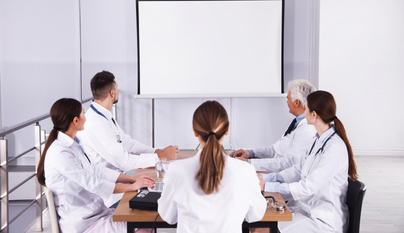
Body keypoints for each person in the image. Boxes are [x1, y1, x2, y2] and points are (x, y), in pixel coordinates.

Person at [36, 98, 155, 233]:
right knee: (144, 227)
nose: (85, 117)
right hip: (83, 223)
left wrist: (132, 180)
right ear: (75, 121)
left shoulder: (74, 145)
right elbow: (93, 184)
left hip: (95, 213)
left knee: (145, 220)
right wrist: (131, 187)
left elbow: (98, 170)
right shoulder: (60, 153)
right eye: (83, 113)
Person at [158, 101, 267, 233]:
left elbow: (168, 216)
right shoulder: (245, 171)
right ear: (227, 130)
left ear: (194, 131)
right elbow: (255, 215)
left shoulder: (176, 170)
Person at [258, 91, 358, 233]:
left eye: (306, 108)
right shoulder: (317, 140)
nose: (303, 112)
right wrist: (265, 179)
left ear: (314, 114)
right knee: (258, 222)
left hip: (321, 221)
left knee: (262, 228)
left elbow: (307, 187)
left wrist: (269, 186)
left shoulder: (334, 148)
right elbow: (298, 170)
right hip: (305, 209)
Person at [77, 70, 178, 207]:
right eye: (117, 89)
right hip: (110, 196)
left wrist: (157, 152)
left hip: (121, 184)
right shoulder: (95, 123)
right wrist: (159, 158)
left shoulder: (104, 116)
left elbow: (127, 143)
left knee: (160, 191)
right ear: (112, 93)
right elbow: (123, 161)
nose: (118, 92)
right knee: (159, 201)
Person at [230, 79, 316, 172]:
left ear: (296, 103)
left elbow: (286, 164)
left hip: (283, 179)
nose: (286, 102)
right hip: (276, 174)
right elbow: (276, 149)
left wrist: (249, 163)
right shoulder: (296, 123)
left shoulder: (307, 130)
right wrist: (250, 153)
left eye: (288, 99)